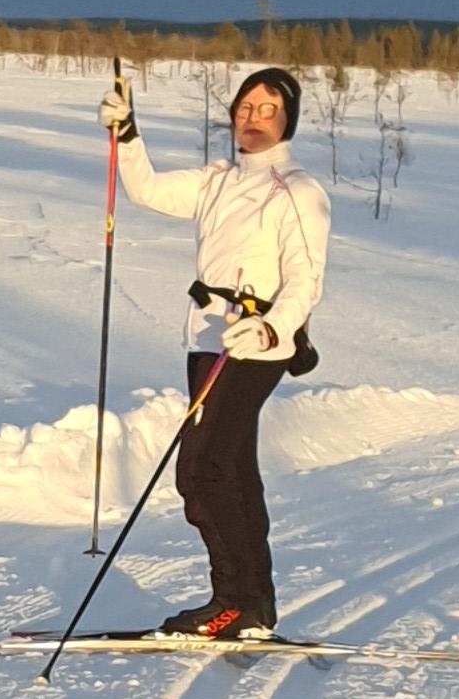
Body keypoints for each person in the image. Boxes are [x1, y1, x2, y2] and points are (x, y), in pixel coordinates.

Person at [100, 62, 330, 639]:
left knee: (202, 469)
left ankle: (233, 601)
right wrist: (127, 136)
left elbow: (305, 280)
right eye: (245, 108)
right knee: (232, 469)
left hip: (255, 344)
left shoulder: (298, 191)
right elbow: (147, 190)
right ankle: (255, 603)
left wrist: (272, 330)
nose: (253, 119)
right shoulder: (218, 179)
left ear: (288, 120)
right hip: (207, 340)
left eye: (267, 110)